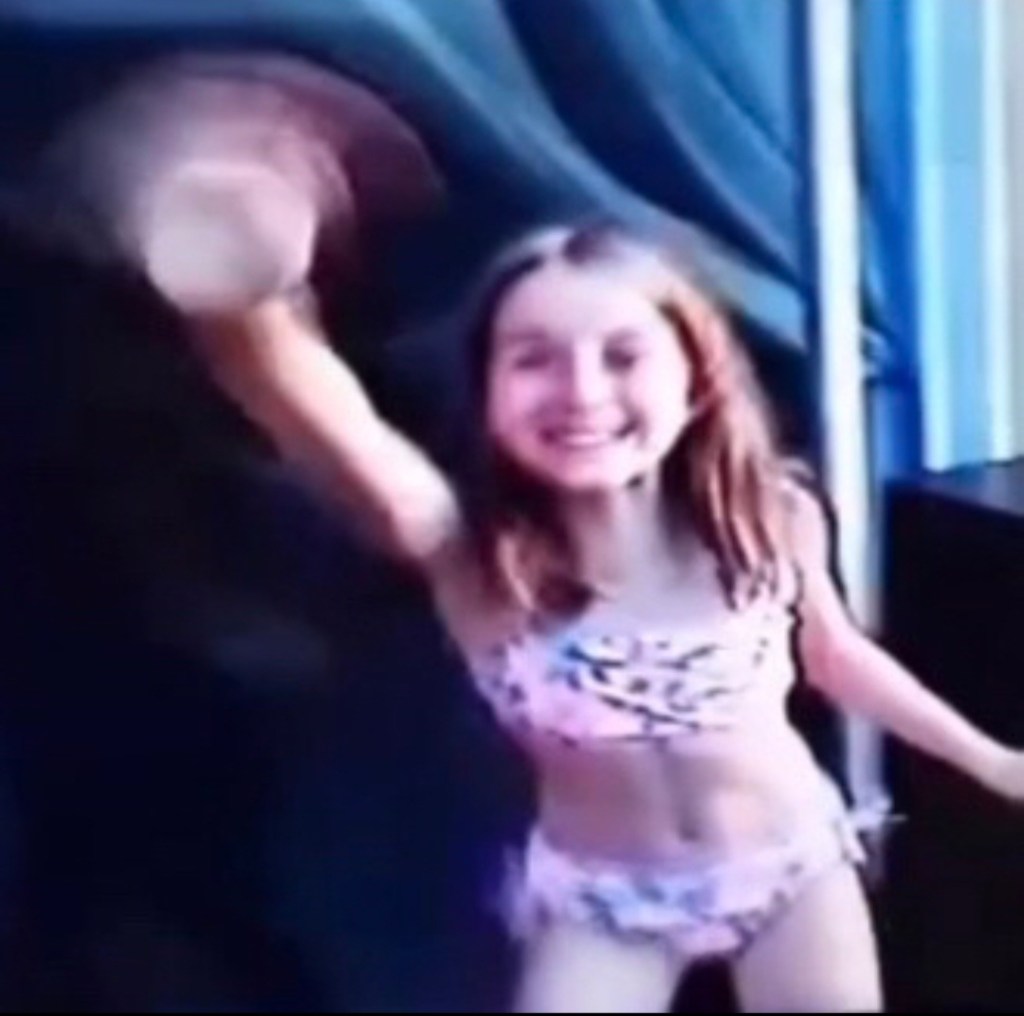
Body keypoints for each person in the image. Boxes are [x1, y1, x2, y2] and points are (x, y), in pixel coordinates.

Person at [173, 217, 1024, 1012]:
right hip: (605, 901)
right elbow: (330, 425)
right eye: (533, 359)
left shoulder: (769, 514)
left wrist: (990, 760)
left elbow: (833, 655)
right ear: (486, 389)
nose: (582, 392)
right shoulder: (473, 555)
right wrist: (252, 301)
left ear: (696, 380)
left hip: (791, 870)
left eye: (623, 356)